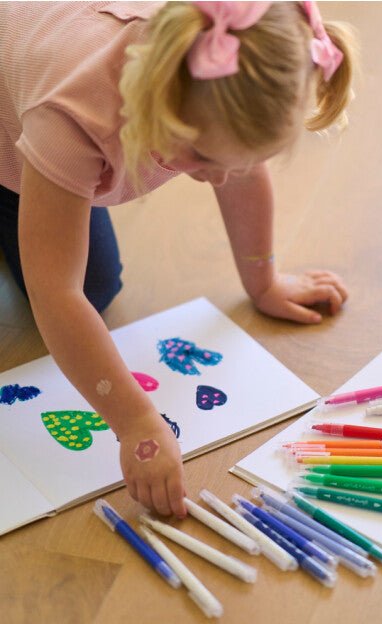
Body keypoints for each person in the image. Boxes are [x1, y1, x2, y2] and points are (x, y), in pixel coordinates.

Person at [0, 2, 356, 517]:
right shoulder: (74, 115)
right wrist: (138, 424)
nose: (217, 177)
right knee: (74, 289)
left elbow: (240, 171)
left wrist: (265, 281)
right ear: (158, 106)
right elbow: (56, 291)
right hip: (16, 119)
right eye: (204, 159)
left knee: (92, 284)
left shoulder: (218, 74)